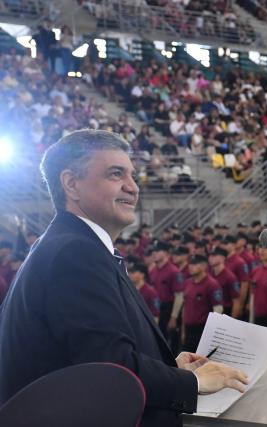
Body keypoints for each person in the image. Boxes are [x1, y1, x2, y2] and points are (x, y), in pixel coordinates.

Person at [0, 130, 248, 427]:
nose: (132, 187)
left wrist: (169, 368)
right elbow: (108, 367)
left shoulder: (71, 244)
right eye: (115, 174)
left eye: (132, 175)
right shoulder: (75, 252)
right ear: (71, 184)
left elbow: (93, 350)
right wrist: (190, 382)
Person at [181, 255, 223, 353]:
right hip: (188, 328)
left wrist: (211, 332)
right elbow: (185, 307)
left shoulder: (212, 284)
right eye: (190, 264)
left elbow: (218, 309)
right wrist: (183, 330)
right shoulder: (187, 283)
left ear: (204, 266)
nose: (191, 267)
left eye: (195, 264)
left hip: (203, 328)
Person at [150, 240, 186, 351]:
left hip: (168, 309)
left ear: (166, 253)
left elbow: (179, 296)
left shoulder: (174, 271)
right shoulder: (153, 270)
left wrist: (173, 317)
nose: (154, 253)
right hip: (155, 309)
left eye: (158, 251)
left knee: (169, 344)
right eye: (153, 251)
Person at [208, 247, 241, 318]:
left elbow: (236, 301)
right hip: (211, 310)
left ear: (222, 258)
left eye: (214, 256)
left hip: (225, 312)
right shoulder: (209, 275)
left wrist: (232, 321)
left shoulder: (230, 277)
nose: (210, 258)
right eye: (210, 255)